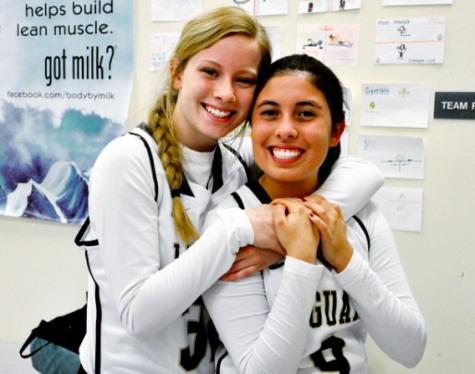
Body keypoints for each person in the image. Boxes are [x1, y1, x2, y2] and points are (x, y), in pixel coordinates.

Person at [75, 7, 384, 374]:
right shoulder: (129, 161)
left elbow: (364, 174)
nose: (225, 93)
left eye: (244, 79)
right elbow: (137, 315)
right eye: (210, 72)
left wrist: (291, 240)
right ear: (176, 74)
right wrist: (237, 230)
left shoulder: (235, 166)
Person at [203, 54, 427, 374]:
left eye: (305, 114)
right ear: (253, 127)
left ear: (336, 131)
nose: (286, 129)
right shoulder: (229, 220)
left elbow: (411, 348)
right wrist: (300, 257)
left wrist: (346, 260)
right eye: (269, 113)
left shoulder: (363, 214)